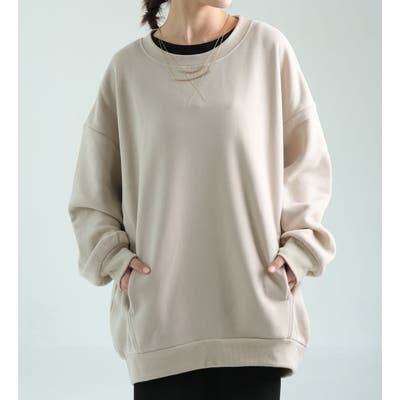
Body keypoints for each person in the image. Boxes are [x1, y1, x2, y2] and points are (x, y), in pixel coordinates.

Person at [67, 1, 336, 399]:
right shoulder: (127, 71)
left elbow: (307, 165)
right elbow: (91, 195)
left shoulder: (267, 49)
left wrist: (299, 249)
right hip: (161, 328)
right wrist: (115, 262)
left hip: (254, 320)